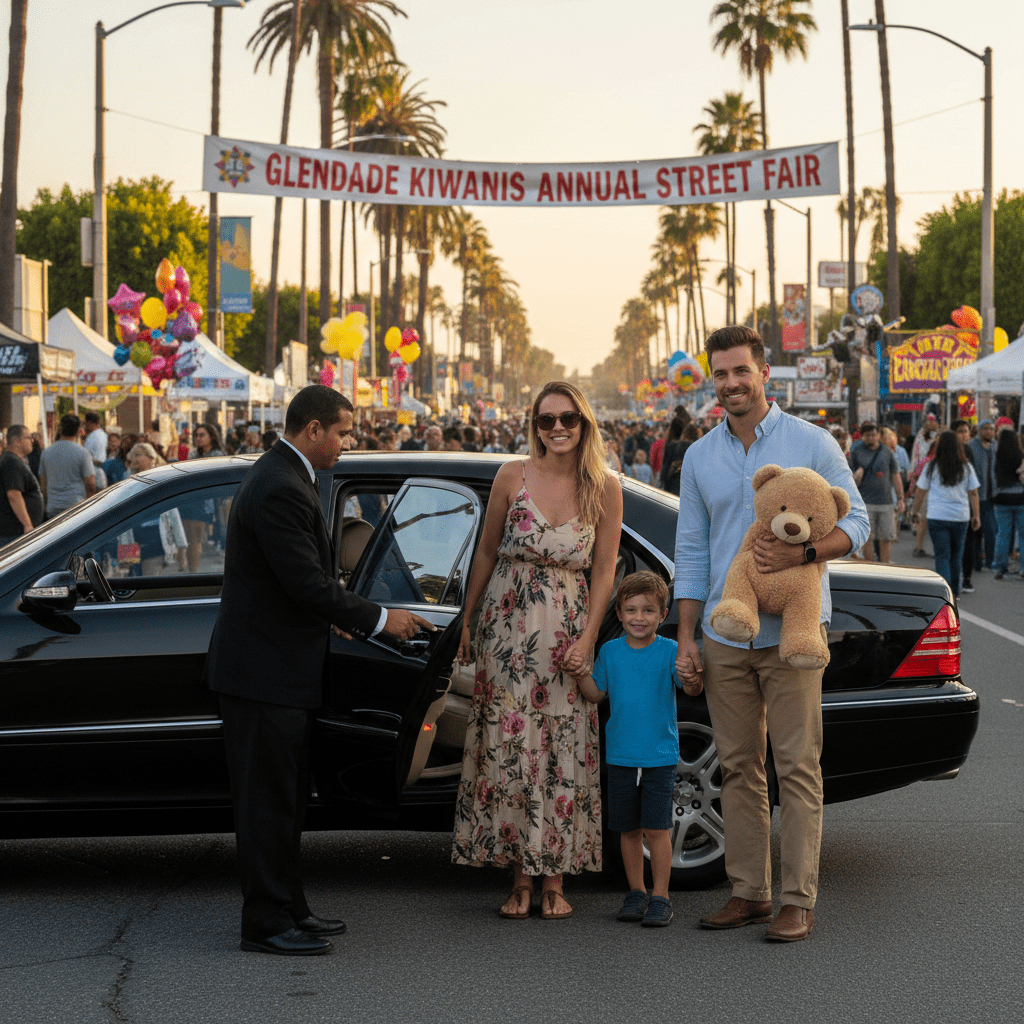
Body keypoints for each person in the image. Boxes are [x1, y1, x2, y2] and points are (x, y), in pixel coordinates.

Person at [205, 385, 433, 956]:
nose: (346, 443)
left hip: (278, 672)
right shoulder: (280, 486)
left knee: (286, 800)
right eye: (342, 432)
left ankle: (290, 907)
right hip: (262, 676)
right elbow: (306, 584)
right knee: (265, 805)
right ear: (313, 430)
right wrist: (380, 618)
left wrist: (337, 617)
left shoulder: (287, 476)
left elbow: (299, 587)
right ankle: (264, 922)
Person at [674, 325, 868, 943]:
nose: (731, 384)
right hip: (725, 633)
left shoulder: (811, 442)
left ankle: (797, 900)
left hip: (795, 635)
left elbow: (857, 520)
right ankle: (748, 892)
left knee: (797, 766)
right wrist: (687, 637)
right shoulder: (701, 456)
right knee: (737, 767)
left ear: (764, 372)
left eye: (741, 371)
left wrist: (807, 553)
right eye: (721, 374)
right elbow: (693, 551)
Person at [452, 381, 622, 920]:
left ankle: (555, 878)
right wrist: (467, 618)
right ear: (535, 425)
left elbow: (604, 571)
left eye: (568, 419)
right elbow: (485, 550)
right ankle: (519, 877)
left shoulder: (605, 486)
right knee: (511, 748)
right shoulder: (512, 475)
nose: (557, 429)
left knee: (560, 750)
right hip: (507, 631)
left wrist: (589, 638)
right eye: (546, 420)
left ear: (584, 423)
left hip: (568, 633)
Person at [571, 571, 700, 928]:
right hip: (621, 755)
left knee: (657, 829)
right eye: (631, 610)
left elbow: (690, 690)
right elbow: (597, 694)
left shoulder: (671, 650)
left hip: (659, 756)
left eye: (647, 610)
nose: (638, 618)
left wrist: (693, 677)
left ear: (662, 614)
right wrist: (581, 671)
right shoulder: (610, 652)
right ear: (618, 613)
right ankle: (636, 891)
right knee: (627, 829)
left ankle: (661, 896)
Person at [911, 431, 980, 597]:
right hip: (960, 516)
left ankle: (945, 593)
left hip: (937, 516)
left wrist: (915, 512)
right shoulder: (966, 467)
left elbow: (920, 492)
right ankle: (955, 591)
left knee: (942, 555)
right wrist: (976, 515)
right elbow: (973, 493)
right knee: (956, 555)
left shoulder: (931, 466)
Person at [848, 423, 904, 564]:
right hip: (865, 502)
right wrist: (856, 477)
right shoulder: (857, 452)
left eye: (874, 434)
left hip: (886, 501)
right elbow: (848, 478)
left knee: (886, 536)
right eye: (868, 435)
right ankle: (870, 564)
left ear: (878, 435)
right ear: (862, 437)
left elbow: (896, 475)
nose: (872, 438)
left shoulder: (887, 452)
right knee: (867, 536)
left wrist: (901, 498)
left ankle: (885, 565)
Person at [180, 424, 225, 573]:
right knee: (186, 536)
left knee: (195, 538)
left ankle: (193, 571)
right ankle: (187, 565)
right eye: (196, 435)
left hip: (207, 499)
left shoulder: (217, 454)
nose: (198, 438)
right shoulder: (193, 454)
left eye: (201, 435)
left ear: (211, 436)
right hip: (191, 499)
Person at [39, 413, 96, 519]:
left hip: (53, 506)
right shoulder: (82, 453)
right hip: (76, 507)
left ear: (60, 429)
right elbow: (91, 482)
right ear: (79, 431)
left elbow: (43, 484)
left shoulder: (46, 452)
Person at [0, 425, 44, 546]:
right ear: (17, 442)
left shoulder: (13, 460)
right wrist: (27, 525)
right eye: (28, 437)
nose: (32, 440)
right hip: (14, 533)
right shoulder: (11, 461)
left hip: (15, 533)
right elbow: (14, 494)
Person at [990, 427, 1024, 580]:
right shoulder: (1021, 456)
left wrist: (995, 493)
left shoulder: (997, 457)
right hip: (1020, 499)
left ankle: (1000, 567)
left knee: (1003, 533)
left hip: (1002, 499)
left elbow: (993, 478)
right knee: (1023, 535)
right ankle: (1023, 569)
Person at [967, 420, 997, 571]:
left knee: (991, 531)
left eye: (991, 429)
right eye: (985, 428)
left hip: (993, 495)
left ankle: (990, 561)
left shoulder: (995, 447)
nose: (989, 431)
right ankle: (977, 562)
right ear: (979, 430)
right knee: (977, 531)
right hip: (977, 494)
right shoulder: (972, 446)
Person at [82, 411, 109, 489]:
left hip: (93, 470)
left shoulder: (93, 436)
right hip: (100, 471)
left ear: (90, 423)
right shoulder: (103, 434)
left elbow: (87, 455)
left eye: (86, 423)